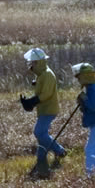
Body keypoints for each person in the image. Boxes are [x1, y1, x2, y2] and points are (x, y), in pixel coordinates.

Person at [20, 47, 66, 178]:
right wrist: (30, 101)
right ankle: (41, 158)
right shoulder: (41, 75)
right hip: (43, 109)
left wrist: (32, 101)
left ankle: (59, 150)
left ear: (39, 62)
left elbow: (45, 94)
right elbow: (41, 89)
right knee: (42, 134)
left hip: (49, 109)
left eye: (33, 63)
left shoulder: (47, 74)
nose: (31, 65)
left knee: (39, 132)